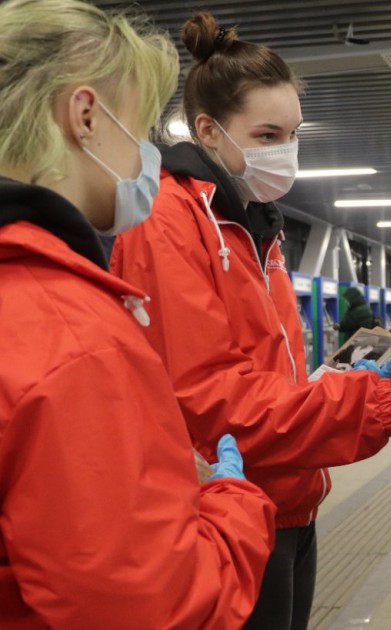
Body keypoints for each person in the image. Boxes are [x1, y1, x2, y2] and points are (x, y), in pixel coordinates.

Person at [109, 13, 391, 630]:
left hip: (289, 503)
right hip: (221, 509)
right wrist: (380, 405)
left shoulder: (259, 227)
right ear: (208, 130)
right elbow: (212, 403)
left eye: (294, 134)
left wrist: (332, 381)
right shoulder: (170, 223)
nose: (287, 151)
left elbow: (260, 376)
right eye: (268, 134)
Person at [0, 1, 278, 626]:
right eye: (142, 127)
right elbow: (152, 604)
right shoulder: (70, 335)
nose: (146, 155)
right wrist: (232, 504)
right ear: (86, 116)